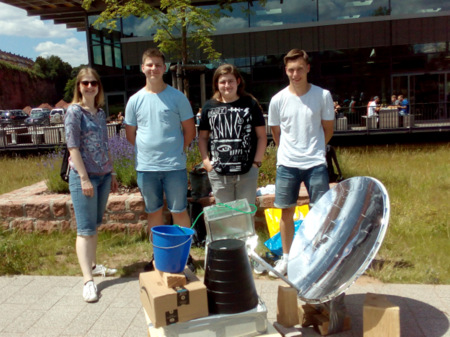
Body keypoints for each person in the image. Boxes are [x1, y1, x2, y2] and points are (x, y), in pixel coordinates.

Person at [124, 48, 196, 270]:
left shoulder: (177, 97)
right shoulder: (134, 101)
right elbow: (130, 135)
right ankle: (159, 257)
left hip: (174, 166)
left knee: (179, 211)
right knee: (154, 212)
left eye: (158, 64)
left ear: (164, 68)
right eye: (149, 64)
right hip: (146, 168)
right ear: (142, 68)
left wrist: (177, 149)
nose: (153, 68)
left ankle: (185, 257)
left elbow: (190, 131)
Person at [268, 49, 334, 277]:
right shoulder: (278, 100)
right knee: (285, 211)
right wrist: (291, 151)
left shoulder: (322, 95)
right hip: (287, 164)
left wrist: (313, 149)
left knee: (321, 211)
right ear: (286, 71)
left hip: (316, 163)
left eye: (299, 69)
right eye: (290, 70)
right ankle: (286, 258)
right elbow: (276, 134)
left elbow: (328, 130)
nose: (295, 74)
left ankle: (318, 255)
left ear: (308, 68)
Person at [64, 67, 119, 303]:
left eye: (93, 83)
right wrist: (84, 178)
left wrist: (113, 171)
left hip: (104, 175)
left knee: (95, 224)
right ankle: (88, 281)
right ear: (79, 86)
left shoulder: (98, 113)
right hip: (84, 177)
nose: (89, 87)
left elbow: (104, 145)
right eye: (85, 83)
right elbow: (73, 147)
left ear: (98, 87)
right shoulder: (74, 112)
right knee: (85, 230)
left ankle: (94, 265)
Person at [198, 64, 267, 205]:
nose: (227, 85)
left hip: (247, 171)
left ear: (238, 82)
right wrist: (207, 163)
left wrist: (256, 163)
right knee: (225, 218)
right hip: (218, 172)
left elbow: (261, 136)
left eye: (230, 81)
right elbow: (203, 137)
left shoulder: (250, 105)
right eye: (223, 82)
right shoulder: (209, 107)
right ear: (217, 84)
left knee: (246, 217)